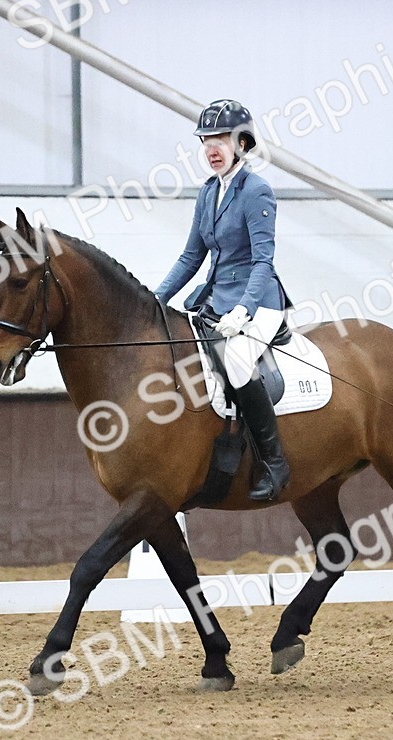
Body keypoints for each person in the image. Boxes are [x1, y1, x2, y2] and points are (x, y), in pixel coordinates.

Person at [154, 98, 294, 502]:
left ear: (241, 143)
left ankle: (274, 461)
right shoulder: (208, 193)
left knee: (236, 360)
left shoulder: (257, 191)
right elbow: (191, 257)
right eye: (205, 141)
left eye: (219, 139)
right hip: (215, 299)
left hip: (259, 300)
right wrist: (154, 300)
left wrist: (244, 310)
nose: (211, 149)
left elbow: (263, 261)